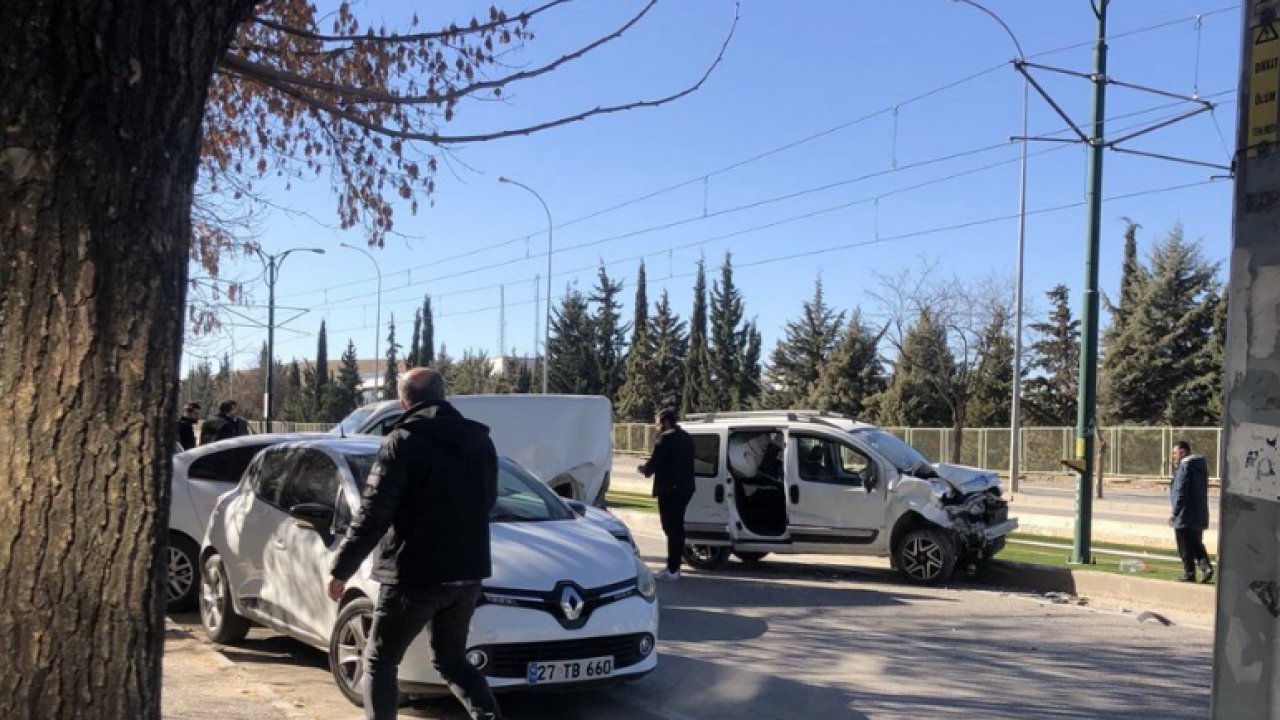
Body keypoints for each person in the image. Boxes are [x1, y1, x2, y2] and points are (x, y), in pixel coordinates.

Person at [327, 368, 503, 720]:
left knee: (380, 660)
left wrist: (341, 569)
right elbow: (487, 500)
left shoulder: (402, 441)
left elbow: (374, 513)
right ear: (444, 395)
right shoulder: (480, 441)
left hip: (413, 573)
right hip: (466, 572)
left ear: (403, 401)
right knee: (452, 660)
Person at [638, 408, 696, 581]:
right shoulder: (687, 437)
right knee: (677, 527)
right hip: (686, 488)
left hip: (670, 489)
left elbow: (654, 463)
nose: (656, 426)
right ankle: (674, 566)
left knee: (671, 528)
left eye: (657, 422)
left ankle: (672, 569)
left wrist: (644, 469)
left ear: (665, 421)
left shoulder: (665, 438)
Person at [1169, 440, 1214, 583]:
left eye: (1175, 453)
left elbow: (1182, 491)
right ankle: (1206, 567)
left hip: (1185, 514)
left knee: (1184, 545)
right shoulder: (1199, 466)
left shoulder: (1185, 467)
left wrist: (1175, 512)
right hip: (1199, 513)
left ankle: (1189, 573)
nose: (1173, 456)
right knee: (1196, 543)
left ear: (1182, 452)